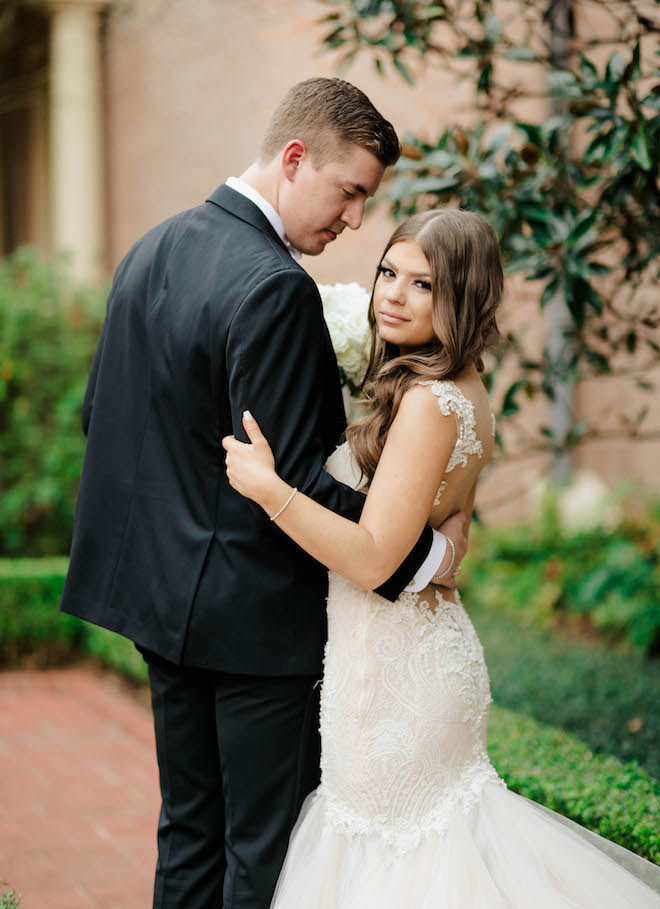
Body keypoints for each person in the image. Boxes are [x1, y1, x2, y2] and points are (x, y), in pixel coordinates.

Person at [59, 79, 466, 909]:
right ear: (293, 159)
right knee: (264, 858)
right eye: (350, 191)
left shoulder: (152, 246)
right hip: (252, 632)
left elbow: (101, 414)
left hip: (160, 611)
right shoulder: (276, 287)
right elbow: (293, 483)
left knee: (190, 836)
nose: (354, 219)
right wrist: (426, 553)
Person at [223, 208, 660, 908]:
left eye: (421, 284)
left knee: (396, 868)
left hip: (397, 681)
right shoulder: (461, 389)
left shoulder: (429, 403)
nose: (392, 294)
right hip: (397, 657)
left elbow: (371, 559)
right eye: (388, 273)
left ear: (459, 297)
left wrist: (268, 489)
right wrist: (439, 551)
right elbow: (433, 528)